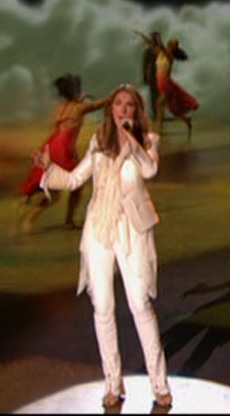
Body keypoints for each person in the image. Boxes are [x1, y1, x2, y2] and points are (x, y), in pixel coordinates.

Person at [32, 83, 172, 409]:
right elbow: (73, 180)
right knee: (103, 308)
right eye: (118, 104)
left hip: (132, 230)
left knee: (140, 305)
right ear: (111, 109)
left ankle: (159, 383)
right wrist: (48, 169)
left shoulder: (148, 141)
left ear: (136, 110)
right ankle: (112, 383)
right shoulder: (98, 142)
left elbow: (150, 169)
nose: (122, 109)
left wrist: (132, 141)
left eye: (129, 105)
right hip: (99, 229)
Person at [17, 74, 107, 232]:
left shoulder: (60, 109)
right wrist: (119, 93)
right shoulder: (79, 108)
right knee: (73, 186)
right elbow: (101, 104)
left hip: (52, 146)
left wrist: (81, 99)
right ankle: (63, 220)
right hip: (64, 150)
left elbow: (71, 112)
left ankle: (27, 215)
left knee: (54, 189)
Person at [152, 35, 198, 135]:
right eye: (169, 44)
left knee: (159, 104)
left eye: (171, 45)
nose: (168, 45)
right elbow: (156, 47)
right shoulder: (161, 54)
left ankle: (159, 128)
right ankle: (186, 120)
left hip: (165, 83)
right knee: (170, 108)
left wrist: (159, 40)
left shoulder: (169, 56)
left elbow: (161, 47)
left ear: (173, 48)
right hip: (160, 82)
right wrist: (144, 37)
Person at [132, 29, 162, 120]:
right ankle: (156, 114)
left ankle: (159, 114)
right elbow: (145, 64)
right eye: (158, 38)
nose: (160, 39)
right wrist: (145, 76)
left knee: (160, 95)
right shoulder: (149, 50)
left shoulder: (159, 49)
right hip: (153, 74)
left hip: (160, 74)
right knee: (154, 95)